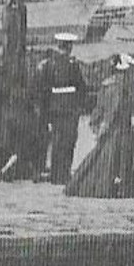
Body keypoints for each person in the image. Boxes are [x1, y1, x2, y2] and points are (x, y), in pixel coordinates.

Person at [66, 54, 134, 198]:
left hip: (112, 127)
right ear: (125, 71)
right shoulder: (121, 87)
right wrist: (105, 126)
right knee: (118, 159)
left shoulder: (108, 84)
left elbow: (99, 107)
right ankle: (119, 188)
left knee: (102, 157)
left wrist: (97, 124)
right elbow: (114, 109)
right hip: (119, 128)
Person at [37, 33, 89, 185]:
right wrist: (80, 105)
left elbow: (44, 89)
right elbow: (81, 87)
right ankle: (64, 174)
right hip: (70, 108)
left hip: (55, 108)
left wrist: (46, 110)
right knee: (69, 141)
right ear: (69, 46)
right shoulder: (73, 64)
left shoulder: (49, 64)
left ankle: (55, 174)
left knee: (57, 141)